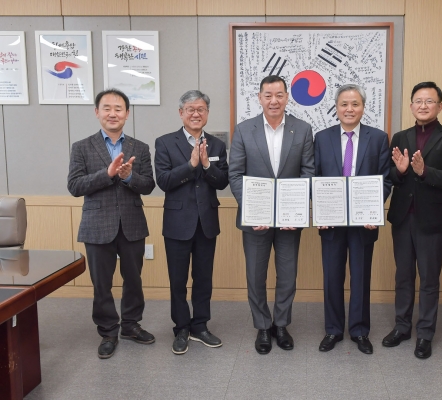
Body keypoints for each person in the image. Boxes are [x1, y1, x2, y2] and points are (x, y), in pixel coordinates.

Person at [229, 75, 315, 355]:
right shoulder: (244, 130)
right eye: (268, 95)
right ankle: (263, 326)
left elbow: (308, 172)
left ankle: (281, 324)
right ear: (259, 97)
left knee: (287, 275)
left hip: (289, 220)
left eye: (279, 95)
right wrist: (253, 211)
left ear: (287, 97)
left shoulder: (302, 130)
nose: (274, 101)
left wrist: (296, 211)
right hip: (256, 220)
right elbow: (235, 174)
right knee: (256, 275)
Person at [67, 88, 156, 359]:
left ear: (127, 114)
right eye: (107, 108)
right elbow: (74, 186)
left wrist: (129, 177)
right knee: (101, 283)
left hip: (132, 224)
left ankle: (130, 325)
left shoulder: (140, 148)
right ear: (97, 112)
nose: (113, 113)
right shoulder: (81, 147)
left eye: (118, 109)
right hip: (96, 224)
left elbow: (148, 185)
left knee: (134, 279)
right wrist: (106, 174)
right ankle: (107, 331)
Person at [384, 82, 442, 359]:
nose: (423, 105)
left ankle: (425, 333)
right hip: (402, 217)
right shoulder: (400, 136)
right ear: (411, 106)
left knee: (429, 279)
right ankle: (402, 327)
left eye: (429, 101)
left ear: (439, 106)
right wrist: (401, 171)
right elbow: (390, 175)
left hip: (431, 220)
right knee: (403, 275)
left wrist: (424, 171)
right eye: (418, 101)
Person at [314, 84, 392, 355]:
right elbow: (315, 177)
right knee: (332, 277)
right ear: (336, 108)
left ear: (363, 107)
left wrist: (373, 210)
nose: (349, 109)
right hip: (331, 222)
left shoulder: (378, 138)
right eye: (344, 104)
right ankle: (333, 330)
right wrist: (320, 211)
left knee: (360, 277)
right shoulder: (321, 138)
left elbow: (385, 180)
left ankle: (359, 330)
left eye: (355, 104)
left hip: (363, 223)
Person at [154, 90, 229, 355]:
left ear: (207, 113)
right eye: (190, 109)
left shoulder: (217, 145)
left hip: (206, 222)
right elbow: (163, 181)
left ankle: (200, 325)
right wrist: (191, 165)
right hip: (177, 223)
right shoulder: (165, 142)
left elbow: (223, 182)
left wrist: (207, 166)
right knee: (178, 280)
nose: (196, 114)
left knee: (203, 279)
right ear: (181, 113)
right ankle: (181, 328)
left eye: (201, 109)